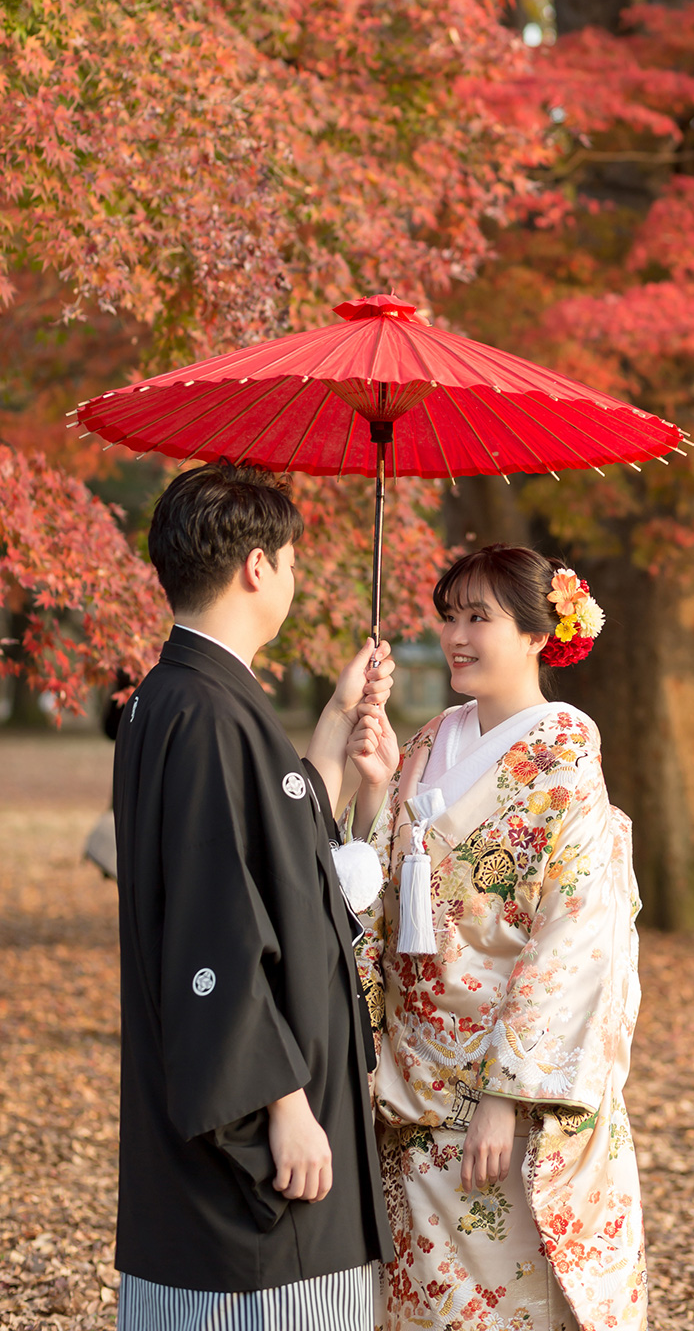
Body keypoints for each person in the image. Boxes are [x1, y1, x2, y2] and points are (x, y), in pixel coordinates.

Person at [113, 460, 399, 1331]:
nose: (295, 577)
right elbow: (216, 924)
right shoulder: (207, 713)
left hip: (257, 1098)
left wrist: (334, 724)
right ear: (257, 567)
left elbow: (267, 845)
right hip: (266, 1132)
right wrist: (284, 1106)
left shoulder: (182, 696)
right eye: (293, 559)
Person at [345, 544, 646, 1331]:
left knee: (509, 1299)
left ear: (540, 634)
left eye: (480, 617)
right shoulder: (429, 739)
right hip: (411, 1080)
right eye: (449, 617)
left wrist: (508, 1099)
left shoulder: (565, 755)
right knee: (425, 1302)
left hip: (502, 1083)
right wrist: (374, 792)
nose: (457, 636)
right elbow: (378, 885)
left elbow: (575, 935)